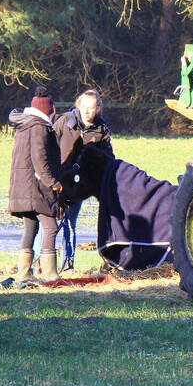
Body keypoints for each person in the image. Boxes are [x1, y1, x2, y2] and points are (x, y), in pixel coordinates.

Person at [53, 89, 113, 271]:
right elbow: (49, 147)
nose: (87, 112)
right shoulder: (65, 121)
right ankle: (42, 263)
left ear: (98, 108)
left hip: (79, 185)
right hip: (57, 181)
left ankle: (68, 265)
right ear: (78, 105)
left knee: (70, 223)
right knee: (48, 224)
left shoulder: (102, 129)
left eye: (91, 108)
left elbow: (108, 158)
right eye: (84, 107)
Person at [8, 92, 65, 283]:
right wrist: (53, 183)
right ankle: (49, 274)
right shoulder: (39, 127)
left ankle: (23, 274)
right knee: (51, 227)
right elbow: (40, 159)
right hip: (36, 188)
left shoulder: (25, 125)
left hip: (23, 186)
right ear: (49, 110)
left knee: (30, 229)